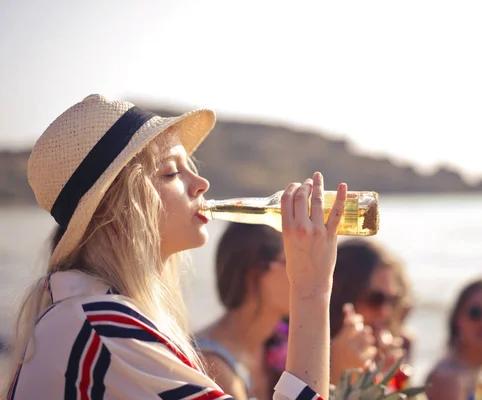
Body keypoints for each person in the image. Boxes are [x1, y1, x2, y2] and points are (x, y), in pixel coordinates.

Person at [2, 94, 348, 399]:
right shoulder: (101, 327)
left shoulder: (79, 312)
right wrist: (311, 291)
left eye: (189, 168)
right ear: (119, 209)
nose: (201, 183)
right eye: (170, 173)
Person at [193, 223, 290, 400]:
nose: (306, 271)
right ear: (253, 274)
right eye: (292, 261)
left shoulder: (277, 342)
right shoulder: (213, 366)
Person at [329, 238, 414, 388]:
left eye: (393, 300)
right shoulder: (296, 356)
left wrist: (390, 380)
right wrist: (337, 375)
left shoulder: (394, 353)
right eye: (375, 299)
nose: (385, 312)